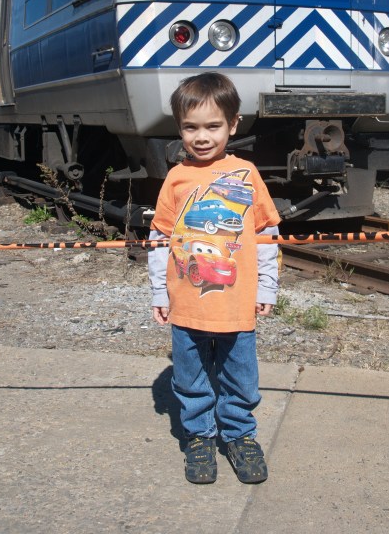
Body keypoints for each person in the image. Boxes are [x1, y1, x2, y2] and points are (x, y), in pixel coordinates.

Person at [148, 72, 281, 484]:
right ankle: (200, 437)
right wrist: (159, 292)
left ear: (233, 124)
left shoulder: (246, 174)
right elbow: (160, 237)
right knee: (189, 379)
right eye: (190, 127)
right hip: (186, 303)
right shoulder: (176, 178)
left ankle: (239, 435)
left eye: (213, 126)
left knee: (241, 376)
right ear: (179, 128)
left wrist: (267, 286)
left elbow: (265, 236)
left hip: (236, 304)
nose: (201, 137)